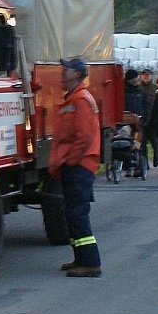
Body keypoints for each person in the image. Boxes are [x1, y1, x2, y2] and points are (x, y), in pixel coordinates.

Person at [50, 58, 102, 278]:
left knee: (77, 214)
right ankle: (80, 258)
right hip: (74, 164)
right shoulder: (73, 98)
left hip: (79, 165)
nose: (63, 72)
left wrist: (71, 161)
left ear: (78, 74)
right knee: (72, 215)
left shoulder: (81, 99)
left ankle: (90, 263)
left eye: (67, 70)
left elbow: (83, 137)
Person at [140, 68, 158, 166]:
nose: (145, 77)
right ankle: (145, 163)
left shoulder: (155, 88)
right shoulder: (138, 88)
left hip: (153, 119)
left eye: (147, 75)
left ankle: (156, 156)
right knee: (142, 143)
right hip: (142, 119)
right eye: (144, 75)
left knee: (154, 142)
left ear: (151, 76)